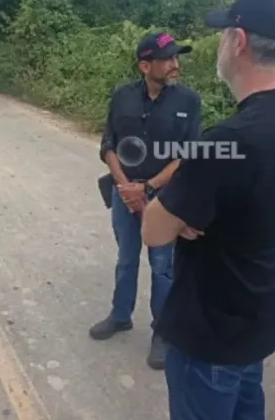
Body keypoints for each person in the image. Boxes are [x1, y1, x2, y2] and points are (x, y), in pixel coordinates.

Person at [141, 0, 275, 419]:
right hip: (259, 322)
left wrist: (183, 215)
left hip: (211, 334)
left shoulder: (228, 140)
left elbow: (153, 228)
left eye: (224, 34)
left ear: (237, 42)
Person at [90, 31, 202, 370]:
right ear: (144, 65)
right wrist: (126, 188)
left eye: (176, 58)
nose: (174, 64)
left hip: (165, 200)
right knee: (126, 260)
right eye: (167, 58)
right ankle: (121, 315)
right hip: (124, 195)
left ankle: (163, 332)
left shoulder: (188, 101)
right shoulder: (122, 96)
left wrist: (148, 187)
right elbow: (108, 144)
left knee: (163, 268)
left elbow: (188, 154)